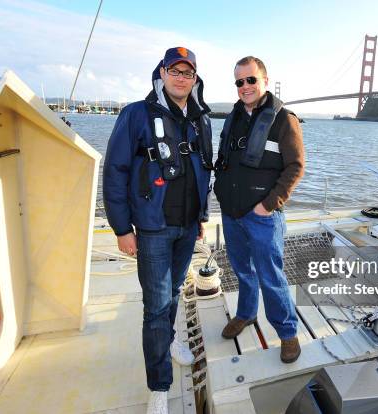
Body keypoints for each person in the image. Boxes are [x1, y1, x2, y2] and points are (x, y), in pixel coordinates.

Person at [103, 47, 212, 414]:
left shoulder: (200, 120)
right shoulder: (137, 113)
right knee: (155, 306)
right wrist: (121, 227)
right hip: (151, 228)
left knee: (175, 291)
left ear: (194, 78)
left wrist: (200, 217)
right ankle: (159, 386)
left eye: (188, 72)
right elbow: (115, 170)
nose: (182, 77)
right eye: (175, 70)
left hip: (186, 226)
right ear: (162, 74)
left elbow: (203, 172)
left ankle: (167, 342)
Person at [214, 56, 305, 363]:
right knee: (242, 270)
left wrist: (268, 205)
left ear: (265, 80)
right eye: (239, 82)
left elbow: (295, 167)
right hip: (232, 213)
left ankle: (288, 333)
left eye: (251, 80)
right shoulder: (233, 117)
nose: (245, 87)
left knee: (271, 276)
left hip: (263, 216)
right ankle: (246, 314)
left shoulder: (283, 119)